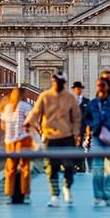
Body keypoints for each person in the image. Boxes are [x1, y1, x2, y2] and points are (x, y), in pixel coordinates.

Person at [25, 74, 85, 207]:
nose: (57, 84)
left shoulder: (70, 98)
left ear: (63, 83)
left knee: (69, 166)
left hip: (67, 136)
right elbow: (35, 112)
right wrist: (28, 123)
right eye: (55, 81)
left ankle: (67, 187)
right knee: (52, 167)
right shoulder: (45, 96)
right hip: (50, 137)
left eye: (59, 82)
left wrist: (76, 135)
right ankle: (54, 195)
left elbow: (76, 118)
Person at [84, 72, 110, 209]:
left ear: (107, 87)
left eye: (102, 85)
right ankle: (98, 195)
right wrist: (91, 128)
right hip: (97, 137)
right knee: (97, 168)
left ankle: (108, 194)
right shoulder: (92, 103)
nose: (99, 87)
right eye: (98, 85)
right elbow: (86, 119)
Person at [0, 86, 34, 205]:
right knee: (25, 168)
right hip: (23, 140)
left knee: (10, 169)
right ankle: (25, 193)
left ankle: (8, 193)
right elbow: (30, 121)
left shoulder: (6, 108)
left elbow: (2, 125)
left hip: (9, 142)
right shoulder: (25, 106)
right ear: (22, 95)